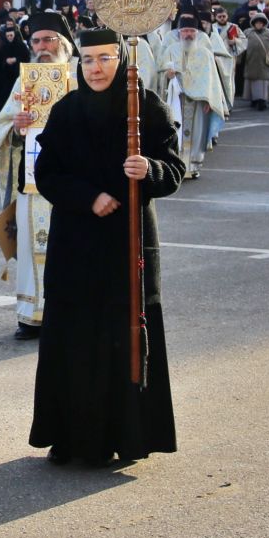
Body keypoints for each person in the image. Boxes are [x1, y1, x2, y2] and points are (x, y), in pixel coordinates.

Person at [30, 28, 185, 465]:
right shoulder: (66, 110)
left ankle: (130, 435)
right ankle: (75, 438)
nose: (95, 68)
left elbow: (174, 168)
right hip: (76, 245)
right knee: (76, 339)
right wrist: (88, 197)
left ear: (121, 60)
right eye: (87, 60)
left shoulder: (145, 107)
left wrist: (148, 168)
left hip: (126, 244)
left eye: (104, 59)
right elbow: (48, 174)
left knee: (125, 335)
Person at [0, 11, 78, 340]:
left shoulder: (78, 76)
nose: (42, 46)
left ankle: (65, 315)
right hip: (32, 181)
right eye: (37, 41)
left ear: (64, 44)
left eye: (49, 40)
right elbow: (3, 126)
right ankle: (31, 316)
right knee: (32, 248)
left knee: (68, 248)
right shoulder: (23, 80)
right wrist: (16, 127)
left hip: (69, 182)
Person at [158, 14, 227, 179]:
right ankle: (177, 165)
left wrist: (210, 100)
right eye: (185, 31)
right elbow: (160, 72)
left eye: (191, 31)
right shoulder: (170, 50)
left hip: (198, 102)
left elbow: (212, 80)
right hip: (176, 100)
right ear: (179, 32)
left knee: (196, 134)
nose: (188, 34)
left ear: (196, 33)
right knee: (175, 133)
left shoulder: (205, 53)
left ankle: (193, 167)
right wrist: (167, 75)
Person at [241, 11, 269, 110]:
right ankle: (254, 99)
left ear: (264, 23)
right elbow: (241, 47)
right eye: (257, 22)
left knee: (262, 83)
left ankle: (262, 101)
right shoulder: (247, 33)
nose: (259, 24)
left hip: (264, 64)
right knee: (252, 82)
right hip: (250, 62)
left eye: (261, 23)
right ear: (253, 23)